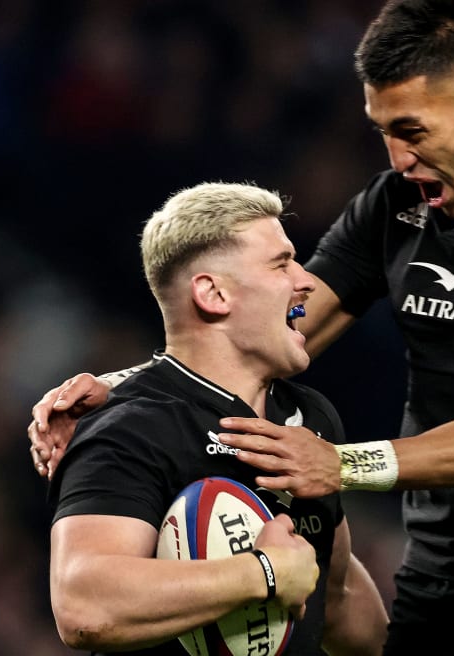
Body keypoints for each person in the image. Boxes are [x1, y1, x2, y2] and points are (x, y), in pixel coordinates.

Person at [32, 1, 454, 653]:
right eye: (383, 130)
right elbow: (268, 322)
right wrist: (129, 389)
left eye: (413, 131)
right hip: (437, 588)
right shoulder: (400, 205)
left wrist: (343, 464)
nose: (398, 158)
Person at [45, 181, 388, 655]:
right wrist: (262, 573)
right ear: (213, 294)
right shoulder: (131, 428)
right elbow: (84, 607)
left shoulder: (310, 415)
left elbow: (337, 594)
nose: (306, 280)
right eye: (281, 263)